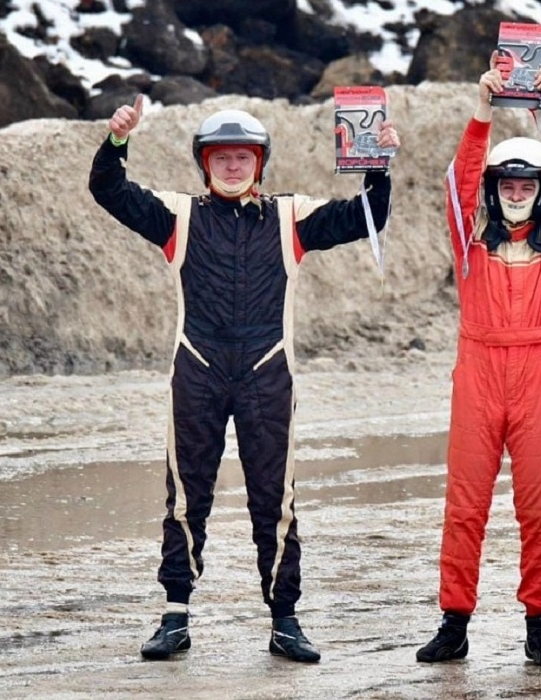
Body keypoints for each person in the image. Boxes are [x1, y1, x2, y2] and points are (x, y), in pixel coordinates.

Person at [88, 96, 399, 663]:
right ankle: (175, 617)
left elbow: (367, 216)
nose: (232, 166)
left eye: (243, 157)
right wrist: (116, 141)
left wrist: (377, 166)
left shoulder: (291, 216)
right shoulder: (177, 215)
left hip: (267, 372)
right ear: (204, 163)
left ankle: (284, 621)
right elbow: (109, 190)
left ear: (260, 162)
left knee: (274, 502)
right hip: (198, 370)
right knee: (186, 498)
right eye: (221, 157)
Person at [414, 60, 541, 668]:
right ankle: (454, 623)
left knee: (540, 509)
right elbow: (459, 184)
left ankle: (539, 625)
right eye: (507, 186)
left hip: (539, 382)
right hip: (479, 379)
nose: (516, 194)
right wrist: (482, 110)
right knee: (464, 507)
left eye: (527, 187)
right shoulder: (470, 248)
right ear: (495, 191)